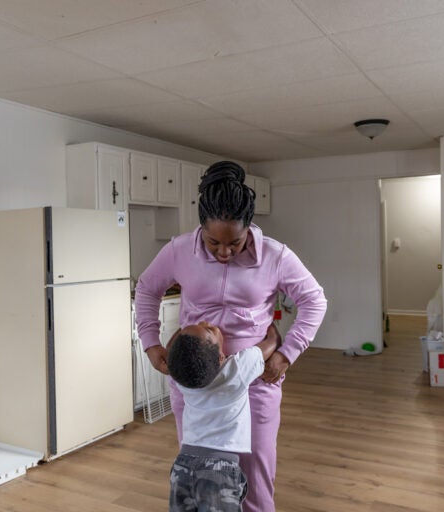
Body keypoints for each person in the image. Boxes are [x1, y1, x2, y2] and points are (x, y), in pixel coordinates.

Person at [135, 160, 327, 512]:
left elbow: (314, 301)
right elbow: (147, 288)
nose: (224, 252)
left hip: (254, 383)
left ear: (249, 228)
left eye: (234, 243)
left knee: (255, 479)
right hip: (194, 385)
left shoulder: (275, 255)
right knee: (204, 474)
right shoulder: (179, 250)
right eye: (213, 242)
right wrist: (151, 343)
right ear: (201, 228)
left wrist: (286, 354)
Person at [167, 321, 280, 511]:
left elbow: (171, 350)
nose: (205, 322)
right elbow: (270, 344)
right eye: (209, 330)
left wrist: (182, 326)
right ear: (220, 357)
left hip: (182, 465)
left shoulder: (184, 380)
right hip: (218, 470)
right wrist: (273, 330)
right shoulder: (234, 370)